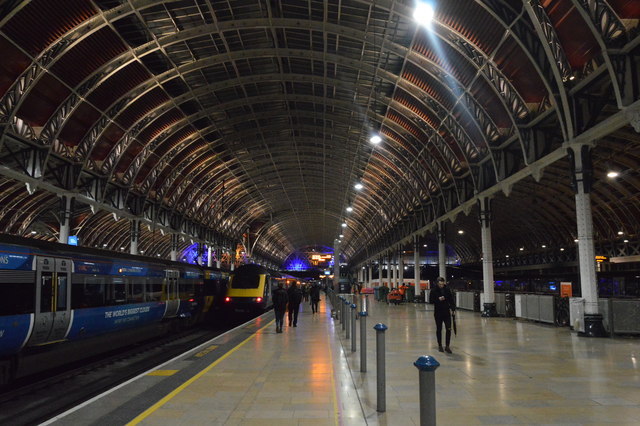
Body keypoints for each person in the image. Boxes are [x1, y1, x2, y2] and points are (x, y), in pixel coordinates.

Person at [428, 277, 456, 353]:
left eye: (442, 284)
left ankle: (447, 346)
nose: (441, 286)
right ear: (437, 283)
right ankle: (440, 345)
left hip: (446, 312)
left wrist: (453, 309)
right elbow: (430, 301)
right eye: (440, 284)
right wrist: (438, 299)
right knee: (439, 329)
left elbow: (451, 299)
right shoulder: (433, 291)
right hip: (438, 312)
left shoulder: (447, 290)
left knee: (448, 329)